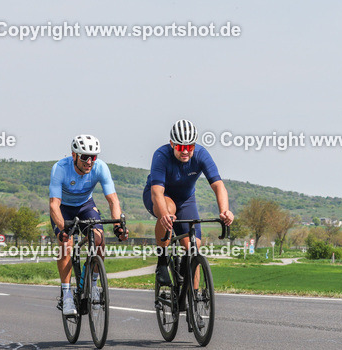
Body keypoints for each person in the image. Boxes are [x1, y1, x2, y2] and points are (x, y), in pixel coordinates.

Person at [144, 119, 234, 286]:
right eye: (180, 147)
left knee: (193, 248)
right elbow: (157, 191)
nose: (185, 151)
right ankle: (162, 262)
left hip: (186, 200)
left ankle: (193, 297)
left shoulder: (201, 154)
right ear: (172, 144)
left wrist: (225, 211)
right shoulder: (161, 155)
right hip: (159, 197)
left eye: (189, 147)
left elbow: (218, 185)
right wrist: (164, 215)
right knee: (169, 209)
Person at [49, 134, 126, 316]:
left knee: (99, 240)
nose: (89, 161)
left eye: (93, 157)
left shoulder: (100, 168)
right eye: (85, 157)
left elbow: (113, 200)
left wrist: (118, 226)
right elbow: (54, 205)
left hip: (85, 206)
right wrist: (62, 229)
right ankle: (67, 294)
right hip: (63, 209)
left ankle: (93, 284)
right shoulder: (60, 168)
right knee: (65, 245)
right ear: (74, 155)